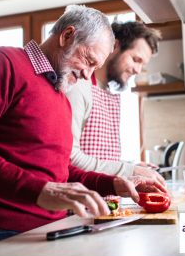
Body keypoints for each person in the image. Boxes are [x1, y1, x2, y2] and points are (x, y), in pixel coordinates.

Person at [0, 5, 166, 253]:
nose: (88, 75)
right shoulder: (4, 62)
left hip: (52, 229)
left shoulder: (62, 99)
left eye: (95, 67)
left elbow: (60, 172)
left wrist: (115, 184)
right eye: (88, 61)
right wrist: (41, 190)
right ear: (66, 36)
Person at [66, 20, 164, 183]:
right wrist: (129, 170)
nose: (138, 71)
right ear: (114, 46)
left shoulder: (106, 92)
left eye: (142, 64)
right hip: (81, 205)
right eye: (135, 59)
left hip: (105, 204)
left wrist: (132, 166)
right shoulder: (79, 86)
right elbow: (70, 157)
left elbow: (99, 157)